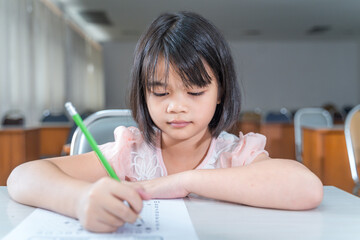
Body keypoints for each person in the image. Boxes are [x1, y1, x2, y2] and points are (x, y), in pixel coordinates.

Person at [7, 11, 323, 233]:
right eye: (160, 92)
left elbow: (307, 189)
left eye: (195, 91)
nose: (176, 107)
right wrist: (79, 200)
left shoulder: (234, 156)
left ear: (219, 92)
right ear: (143, 94)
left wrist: (182, 182)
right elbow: (22, 177)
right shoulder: (130, 152)